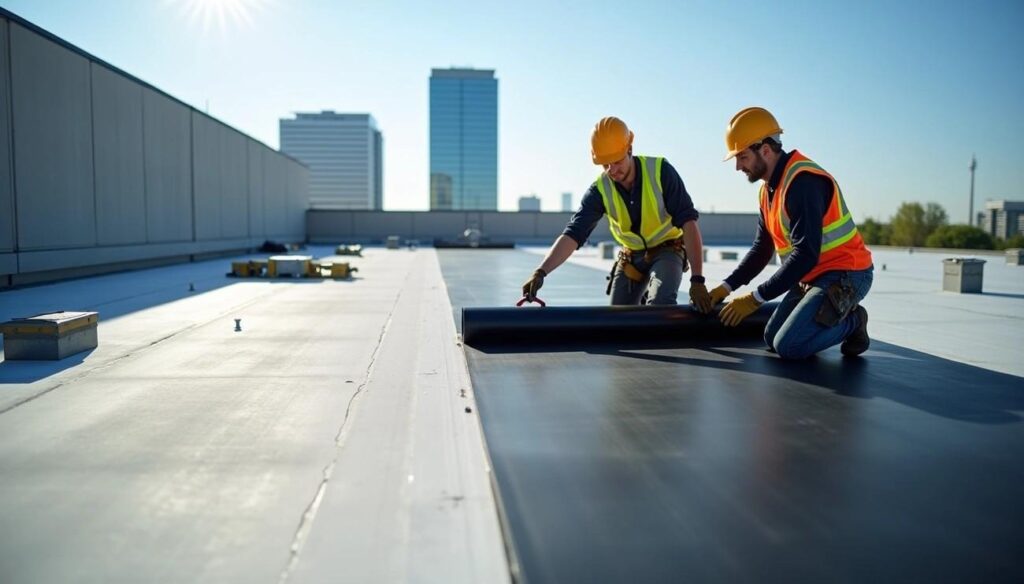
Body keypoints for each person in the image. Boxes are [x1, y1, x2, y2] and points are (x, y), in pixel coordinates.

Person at [701, 107, 874, 358]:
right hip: (811, 278)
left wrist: (755, 298)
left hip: (846, 274)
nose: (738, 166)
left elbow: (805, 254)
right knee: (771, 338)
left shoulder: (803, 182)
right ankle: (822, 319)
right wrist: (726, 287)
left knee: (789, 346)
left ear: (766, 150)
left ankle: (854, 321)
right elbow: (762, 249)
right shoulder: (767, 190)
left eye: (742, 157)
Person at [522, 117, 711, 309]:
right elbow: (573, 234)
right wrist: (541, 271)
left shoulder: (661, 172)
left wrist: (697, 280)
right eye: (605, 164)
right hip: (632, 257)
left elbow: (688, 223)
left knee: (660, 306)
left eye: (617, 162)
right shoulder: (600, 190)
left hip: (668, 250)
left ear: (630, 149)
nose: (612, 170)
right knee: (617, 318)